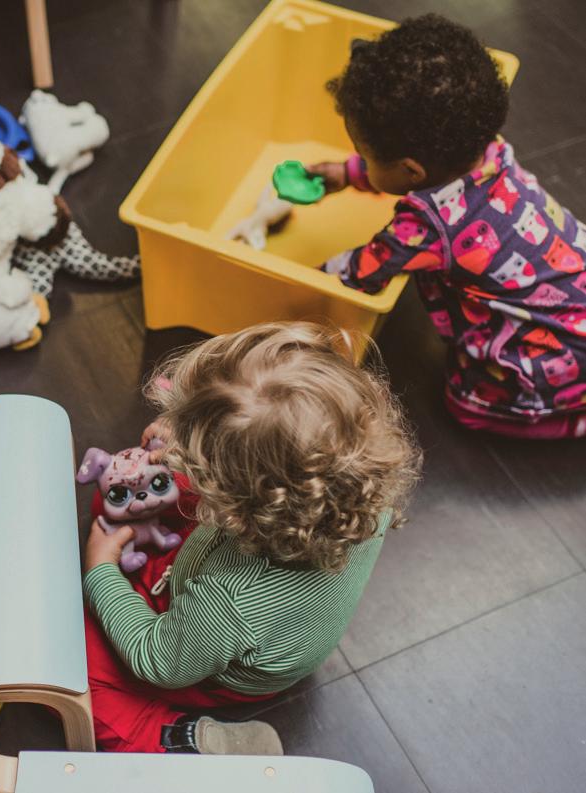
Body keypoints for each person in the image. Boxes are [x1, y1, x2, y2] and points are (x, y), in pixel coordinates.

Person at [82, 322, 420, 753]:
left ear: (235, 506)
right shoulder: (365, 491)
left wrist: (102, 574)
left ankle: (173, 739)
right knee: (128, 503)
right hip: (262, 621)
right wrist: (194, 439)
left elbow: (159, 661)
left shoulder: (229, 599)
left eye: (195, 440)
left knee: (75, 669)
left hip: (209, 663)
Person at [309, 15, 586, 438]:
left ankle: (572, 418)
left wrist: (306, 277)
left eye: (363, 157)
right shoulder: (484, 148)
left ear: (410, 169)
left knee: (466, 406)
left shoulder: (425, 226)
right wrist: (349, 173)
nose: (360, 163)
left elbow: (359, 273)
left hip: (561, 351)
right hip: (574, 298)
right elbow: (409, 174)